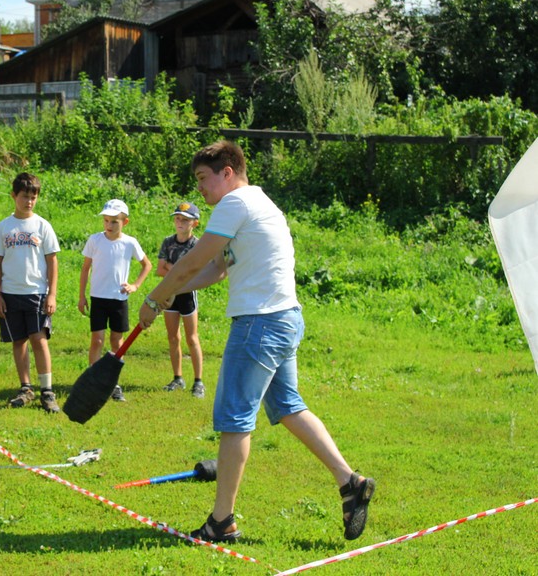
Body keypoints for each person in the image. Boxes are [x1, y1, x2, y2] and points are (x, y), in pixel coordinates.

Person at [138, 140, 375, 542]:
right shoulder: (260, 203)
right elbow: (215, 270)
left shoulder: (235, 204)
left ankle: (221, 521)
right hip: (284, 320)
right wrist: (169, 298)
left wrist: (153, 297)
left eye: (203, 179)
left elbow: (191, 261)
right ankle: (349, 481)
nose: (200, 189)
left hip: (259, 325)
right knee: (287, 406)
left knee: (234, 420)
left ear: (227, 172)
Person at [0, 172, 61, 413]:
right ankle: (25, 387)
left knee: (39, 340)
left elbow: (52, 261)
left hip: (37, 293)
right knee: (18, 342)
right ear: (13, 196)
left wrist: (51, 294)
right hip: (10, 294)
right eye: (24, 196)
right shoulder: (4, 227)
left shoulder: (42, 225)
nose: (28, 201)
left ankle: (47, 391)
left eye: (33, 197)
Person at [78, 199, 152, 402]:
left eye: (114, 222)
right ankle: (93, 381)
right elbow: (86, 268)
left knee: (117, 342)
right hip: (98, 298)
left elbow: (147, 265)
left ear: (125, 222)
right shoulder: (95, 240)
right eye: (106, 221)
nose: (109, 226)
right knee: (97, 340)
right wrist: (82, 296)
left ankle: (113, 383)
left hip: (119, 299)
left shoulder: (130, 242)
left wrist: (135, 285)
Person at [157, 201, 205, 398]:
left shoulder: (198, 245)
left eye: (185, 220)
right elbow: (160, 270)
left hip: (187, 294)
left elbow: (197, 273)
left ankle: (198, 381)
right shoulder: (168, 242)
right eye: (178, 218)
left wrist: (172, 267)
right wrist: (180, 271)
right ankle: (178, 378)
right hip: (170, 293)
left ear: (194, 223)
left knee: (192, 338)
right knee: (172, 337)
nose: (180, 222)